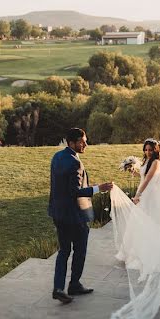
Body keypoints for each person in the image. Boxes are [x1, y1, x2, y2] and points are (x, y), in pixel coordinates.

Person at [108, 138, 160, 319]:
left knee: (147, 224)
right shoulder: (147, 162)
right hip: (146, 195)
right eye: (145, 149)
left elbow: (149, 180)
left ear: (156, 150)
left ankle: (149, 251)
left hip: (149, 198)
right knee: (139, 225)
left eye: (150, 149)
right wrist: (134, 171)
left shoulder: (157, 162)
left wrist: (137, 195)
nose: (147, 152)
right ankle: (133, 251)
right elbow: (144, 177)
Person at [48, 128, 113, 304]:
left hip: (58, 213)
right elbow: (74, 192)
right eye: (82, 141)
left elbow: (62, 187)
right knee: (80, 250)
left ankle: (58, 288)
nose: (85, 144)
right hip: (75, 215)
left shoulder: (57, 157)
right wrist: (99, 188)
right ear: (71, 143)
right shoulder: (75, 162)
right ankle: (74, 284)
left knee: (64, 251)